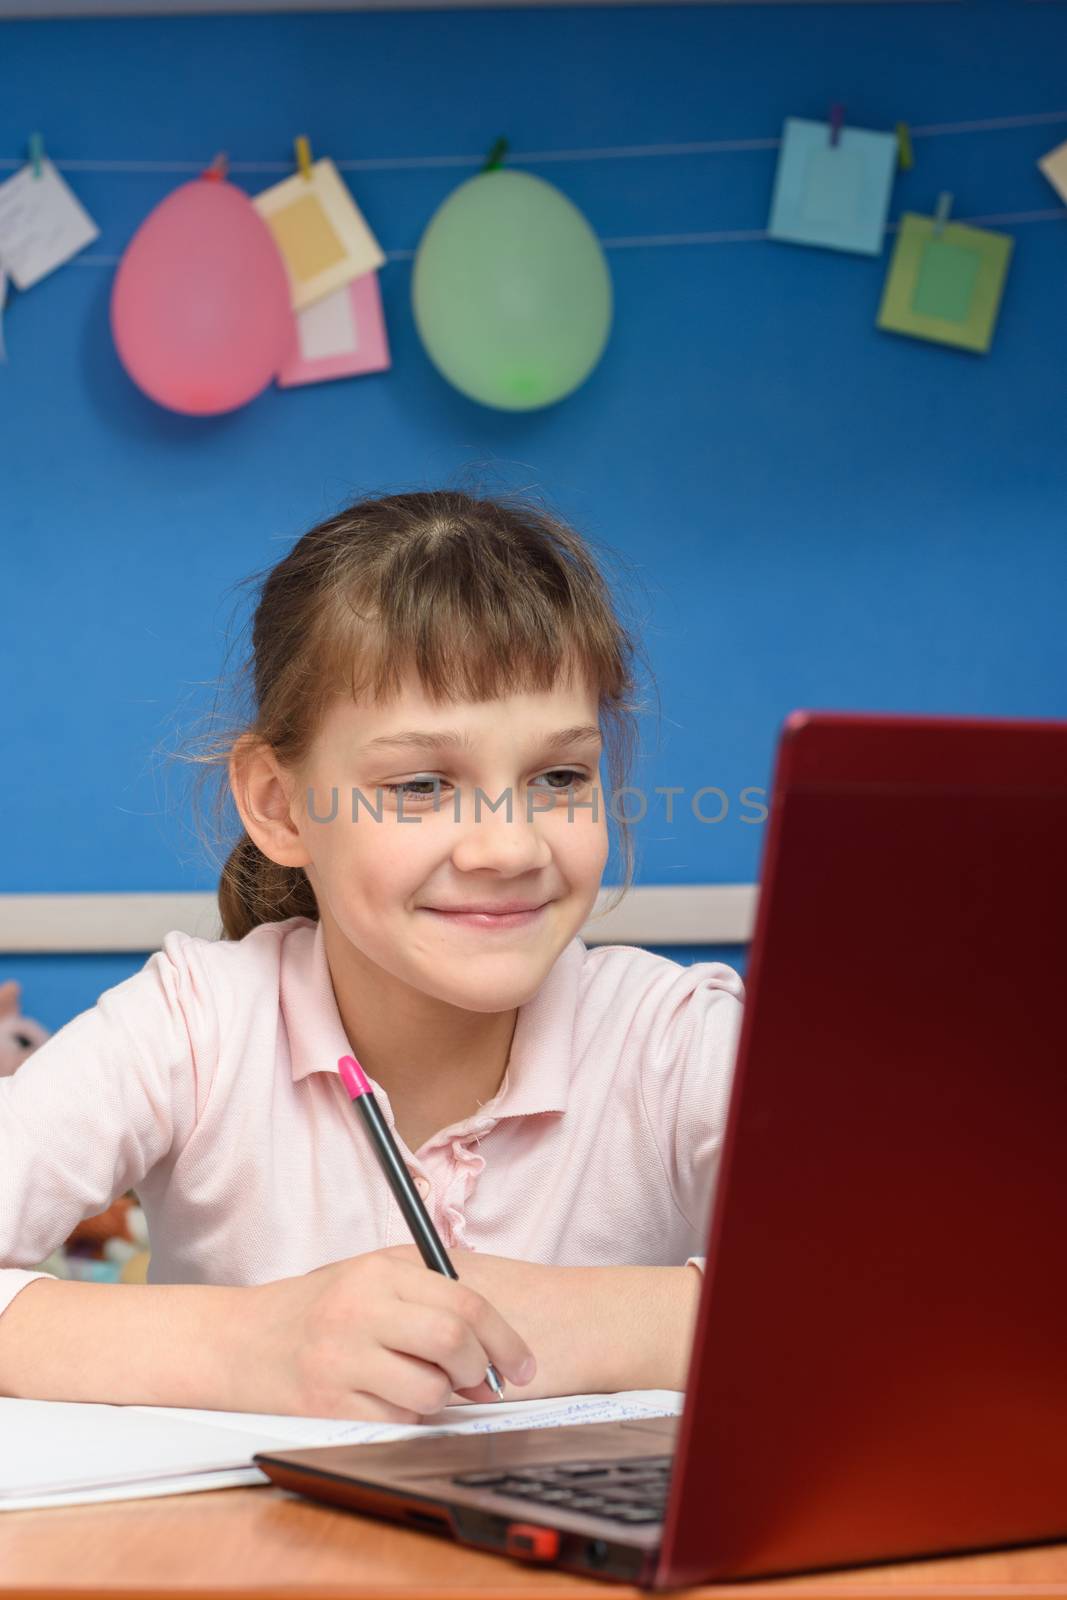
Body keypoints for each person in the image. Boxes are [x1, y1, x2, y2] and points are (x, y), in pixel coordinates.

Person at [0, 489, 744, 1422]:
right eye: (423, 785)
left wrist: (586, 1319)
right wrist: (252, 1344)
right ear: (278, 805)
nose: (508, 849)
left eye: (560, 777)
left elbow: (942, 1284)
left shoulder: (676, 1043)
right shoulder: (193, 1026)